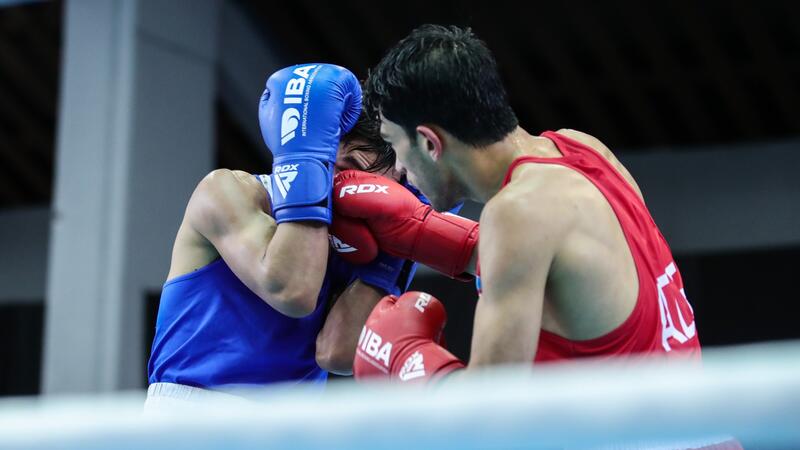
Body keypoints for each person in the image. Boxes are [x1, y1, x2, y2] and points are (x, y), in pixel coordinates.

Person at [332, 25, 703, 382]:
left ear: (430, 143)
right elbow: (570, 267)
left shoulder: (514, 215)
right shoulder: (582, 149)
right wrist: (416, 231)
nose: (397, 167)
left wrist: (406, 359)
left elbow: (492, 413)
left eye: (394, 144)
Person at [145, 64, 418, 409]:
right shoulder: (227, 192)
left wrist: (397, 245)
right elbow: (292, 289)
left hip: (290, 425)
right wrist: (306, 169)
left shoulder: (363, 239)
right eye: (349, 169)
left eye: (377, 187)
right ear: (322, 144)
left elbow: (339, 354)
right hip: (193, 415)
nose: (358, 191)